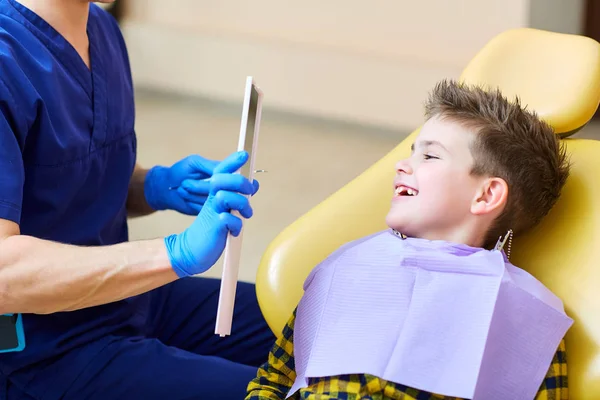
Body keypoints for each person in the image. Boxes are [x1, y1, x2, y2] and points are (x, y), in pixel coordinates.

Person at [0, 1, 275, 399]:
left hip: (125, 299)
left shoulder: (102, 30)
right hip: (43, 352)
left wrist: (153, 185)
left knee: (317, 325)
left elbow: (62, 178)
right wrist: (174, 253)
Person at [245, 80, 572, 400]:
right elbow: (273, 380)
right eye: (411, 153)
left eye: (429, 157)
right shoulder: (349, 267)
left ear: (486, 195)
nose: (402, 165)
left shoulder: (526, 317)